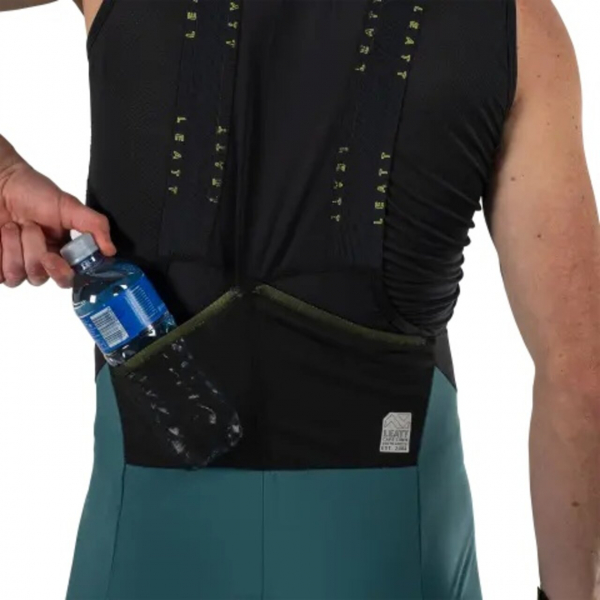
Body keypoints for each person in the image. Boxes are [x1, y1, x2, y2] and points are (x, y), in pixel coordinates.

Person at [1, 0, 598, 598]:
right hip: (391, 550)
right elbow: (581, 374)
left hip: (143, 548)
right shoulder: (518, 23)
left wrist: (5, 175)